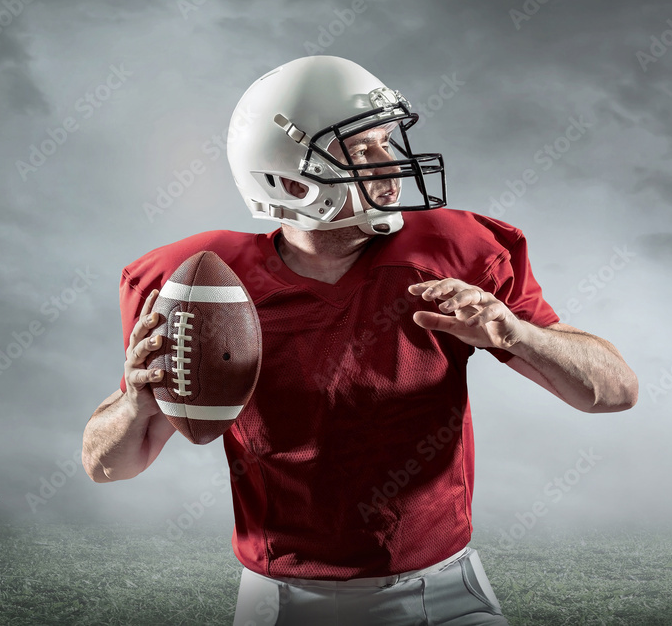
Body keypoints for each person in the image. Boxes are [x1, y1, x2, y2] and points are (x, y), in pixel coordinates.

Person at [81, 56, 638, 626]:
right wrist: (136, 404)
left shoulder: (454, 252)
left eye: (387, 143)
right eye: (363, 151)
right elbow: (107, 466)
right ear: (289, 176)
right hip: (284, 602)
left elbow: (614, 390)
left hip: (443, 591)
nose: (392, 164)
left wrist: (517, 333)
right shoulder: (204, 288)